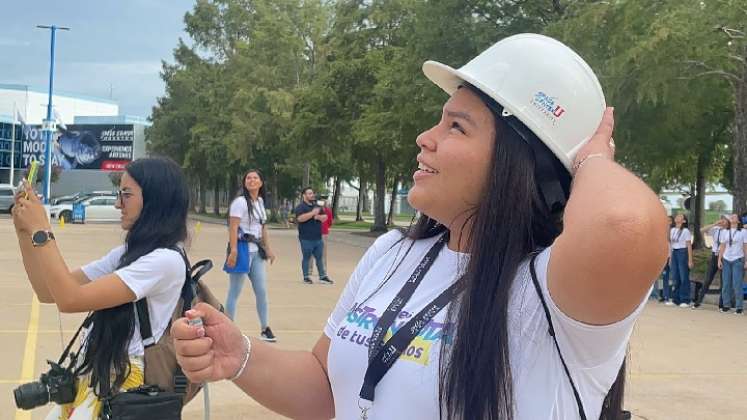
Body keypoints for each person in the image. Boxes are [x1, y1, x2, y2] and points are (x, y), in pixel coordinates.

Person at [170, 34, 667, 420]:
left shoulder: (556, 292)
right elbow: (328, 391)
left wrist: (592, 158)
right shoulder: (392, 254)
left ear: (525, 164)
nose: (425, 138)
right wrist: (240, 357)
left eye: (456, 126)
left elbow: (624, 224)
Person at [12, 157, 190, 419]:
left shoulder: (166, 261)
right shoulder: (128, 254)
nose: (119, 203)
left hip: (126, 385)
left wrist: (41, 228)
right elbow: (47, 292)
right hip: (101, 373)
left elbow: (70, 299)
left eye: (127, 195)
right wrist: (25, 233)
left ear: (156, 200)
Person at [224, 169, 277, 342]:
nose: (252, 180)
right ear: (244, 182)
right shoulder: (239, 203)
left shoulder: (260, 202)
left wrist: (268, 249)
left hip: (256, 253)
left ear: (261, 183)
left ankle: (265, 327)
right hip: (241, 250)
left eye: (255, 178)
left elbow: (263, 228)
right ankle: (228, 327)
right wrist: (233, 251)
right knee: (235, 291)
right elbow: (233, 227)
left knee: (261, 291)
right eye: (248, 178)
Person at [294, 187, 333, 285]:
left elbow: (325, 217)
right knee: (307, 257)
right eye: (309, 193)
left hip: (318, 237)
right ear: (304, 195)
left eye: (312, 193)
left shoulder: (317, 206)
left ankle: (323, 276)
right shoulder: (300, 207)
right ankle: (306, 277)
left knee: (319, 257)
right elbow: (300, 219)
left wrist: (318, 217)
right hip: (306, 237)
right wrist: (312, 214)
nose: (312, 195)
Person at [693, 215, 729, 309]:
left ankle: (722, 304)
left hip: (724, 256)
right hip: (714, 255)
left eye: (724, 219)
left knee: (723, 281)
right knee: (707, 279)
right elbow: (702, 230)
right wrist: (714, 224)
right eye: (721, 219)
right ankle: (698, 301)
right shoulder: (716, 229)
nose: (722, 221)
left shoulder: (729, 231)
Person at [717, 213, 746, 314]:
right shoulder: (725, 231)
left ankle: (739, 307)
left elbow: (745, 247)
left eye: (734, 217)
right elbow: (722, 246)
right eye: (731, 216)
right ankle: (726, 305)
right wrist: (719, 259)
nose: (731, 217)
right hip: (726, 259)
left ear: (738, 221)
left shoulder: (743, 232)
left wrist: (746, 260)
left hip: (738, 259)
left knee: (737, 284)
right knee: (726, 284)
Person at [668, 214, 693, 307]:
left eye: (680, 217)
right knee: (675, 276)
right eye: (677, 216)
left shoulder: (686, 231)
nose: (677, 217)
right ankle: (675, 299)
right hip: (675, 252)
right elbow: (671, 244)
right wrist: (670, 257)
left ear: (684, 221)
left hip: (683, 252)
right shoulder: (673, 230)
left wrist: (690, 259)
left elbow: (689, 245)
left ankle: (685, 299)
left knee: (683, 276)